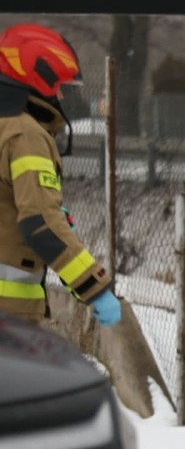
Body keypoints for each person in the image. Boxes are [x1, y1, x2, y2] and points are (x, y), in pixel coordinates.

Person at [0, 23, 120, 327]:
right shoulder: (25, 135)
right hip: (10, 320)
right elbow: (40, 223)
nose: (63, 98)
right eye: (60, 88)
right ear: (38, 81)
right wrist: (94, 287)